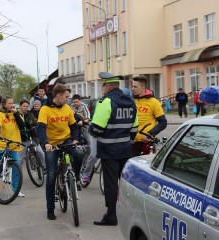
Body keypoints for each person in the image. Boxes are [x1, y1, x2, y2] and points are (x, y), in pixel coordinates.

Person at [89, 72, 137, 226]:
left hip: (109, 151)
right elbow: (134, 129)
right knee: (125, 182)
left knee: (111, 184)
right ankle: (131, 213)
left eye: (104, 85)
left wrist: (90, 131)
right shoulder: (130, 101)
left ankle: (111, 216)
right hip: (125, 149)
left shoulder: (106, 102)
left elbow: (96, 128)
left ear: (108, 86)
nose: (104, 88)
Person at [35, 83, 84, 221]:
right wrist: (46, 143)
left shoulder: (67, 108)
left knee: (79, 155)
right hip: (51, 144)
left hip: (66, 141)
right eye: (66, 97)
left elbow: (74, 126)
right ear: (58, 96)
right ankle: (50, 208)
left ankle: (75, 177)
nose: (68, 100)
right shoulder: (45, 109)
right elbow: (40, 128)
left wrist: (75, 139)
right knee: (51, 175)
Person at [14, 99, 46, 197]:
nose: (26, 108)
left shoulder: (30, 114)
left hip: (32, 138)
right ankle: (17, 177)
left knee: (41, 153)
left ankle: (45, 168)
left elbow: (35, 122)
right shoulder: (16, 114)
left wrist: (35, 126)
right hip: (21, 140)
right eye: (24, 106)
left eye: (27, 106)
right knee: (19, 160)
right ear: (20, 106)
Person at [131, 75, 167, 156]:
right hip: (132, 142)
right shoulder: (130, 101)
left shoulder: (154, 102)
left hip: (146, 142)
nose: (132, 89)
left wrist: (150, 134)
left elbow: (163, 123)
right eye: (132, 86)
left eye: (135, 87)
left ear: (143, 88)